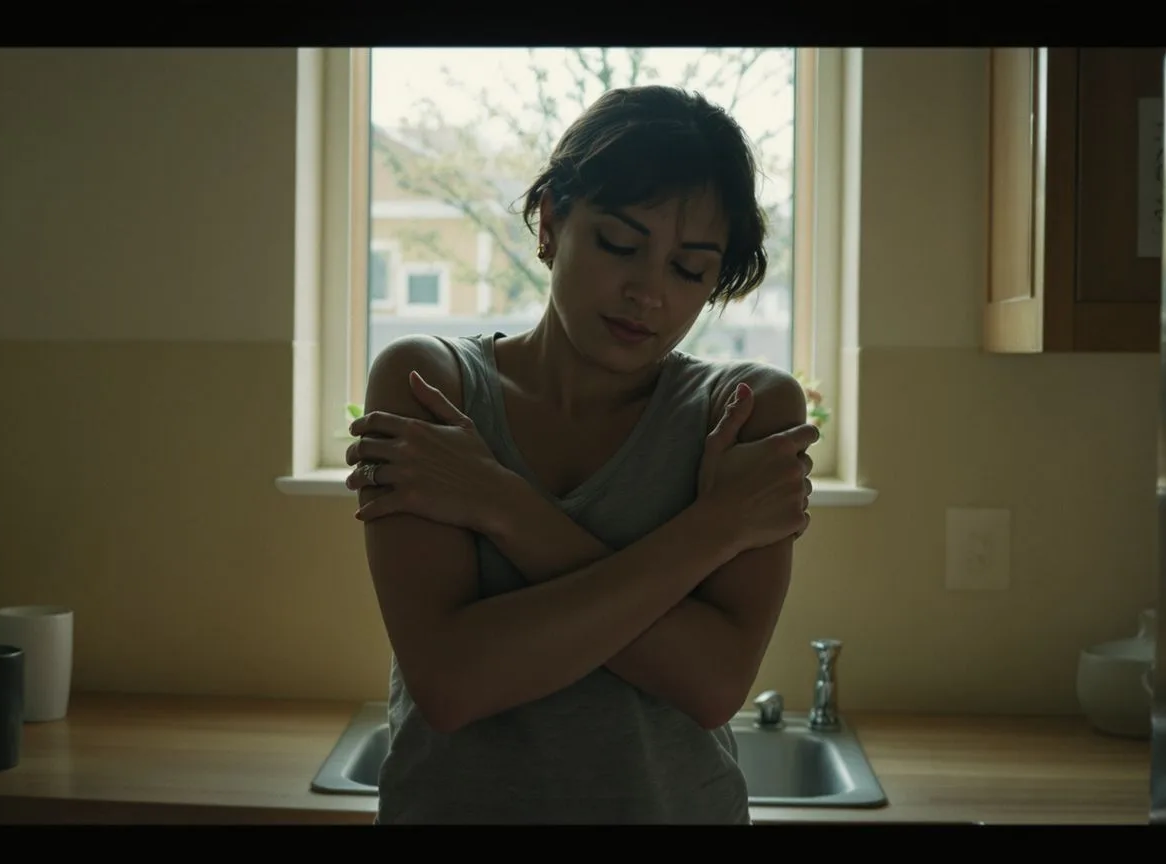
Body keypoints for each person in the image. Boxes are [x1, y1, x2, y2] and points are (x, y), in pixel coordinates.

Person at [344, 84, 818, 825]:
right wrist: (712, 530)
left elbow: (714, 685)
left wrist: (498, 504)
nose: (647, 293)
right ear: (552, 222)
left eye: (689, 270)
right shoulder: (430, 387)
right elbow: (451, 683)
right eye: (620, 245)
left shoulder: (747, 415)